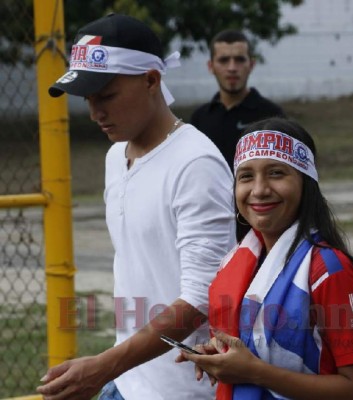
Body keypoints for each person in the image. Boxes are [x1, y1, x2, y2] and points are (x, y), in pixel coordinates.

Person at [37, 14, 235, 400]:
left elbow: (200, 298)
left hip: (181, 391)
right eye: (89, 99)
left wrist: (106, 364)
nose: (95, 112)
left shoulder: (195, 163)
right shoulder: (116, 157)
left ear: (151, 80)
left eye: (106, 96)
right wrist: (113, 371)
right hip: (127, 382)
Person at [178, 117, 353, 400]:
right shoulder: (238, 261)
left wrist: (252, 372)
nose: (259, 190)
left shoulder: (328, 269)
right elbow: (254, 347)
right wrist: (222, 356)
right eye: (246, 176)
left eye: (276, 173)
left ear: (305, 183)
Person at [190, 30, 285, 171]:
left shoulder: (272, 116)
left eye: (239, 60)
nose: (232, 68)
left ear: (251, 65)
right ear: (211, 66)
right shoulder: (199, 119)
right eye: (224, 60)